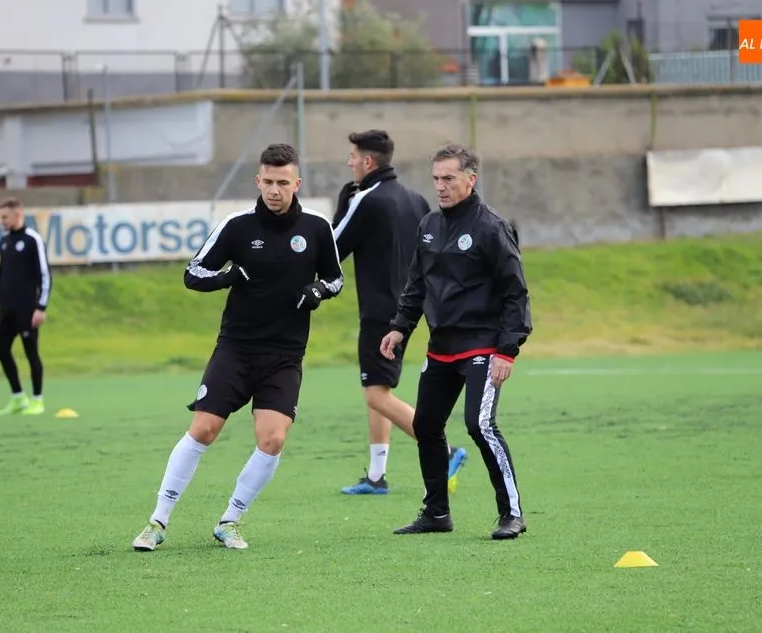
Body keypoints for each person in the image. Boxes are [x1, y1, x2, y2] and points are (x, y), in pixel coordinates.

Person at [131, 143, 344, 552]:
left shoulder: (317, 228)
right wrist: (227, 277)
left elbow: (336, 279)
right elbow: (193, 274)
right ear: (258, 181)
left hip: (284, 355)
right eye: (268, 181)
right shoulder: (237, 225)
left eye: (284, 182)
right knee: (204, 430)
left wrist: (318, 289)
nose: (275, 190)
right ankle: (157, 521)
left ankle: (230, 520)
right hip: (236, 349)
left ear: (297, 183)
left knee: (273, 440)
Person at [381, 144, 532, 540]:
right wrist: (400, 327)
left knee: (479, 424)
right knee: (425, 424)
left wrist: (506, 350)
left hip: (483, 346)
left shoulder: (491, 227)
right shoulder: (429, 225)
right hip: (441, 347)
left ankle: (511, 514)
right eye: (436, 179)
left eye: (448, 178)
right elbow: (417, 284)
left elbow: (516, 293)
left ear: (470, 179)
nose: (441, 186)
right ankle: (436, 513)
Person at [332, 130, 467, 496]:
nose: (349, 162)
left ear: (368, 161)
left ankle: (447, 450)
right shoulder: (414, 200)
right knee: (378, 387)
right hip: (408, 309)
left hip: (379, 313)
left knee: (376, 396)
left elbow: (332, 249)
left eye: (353, 156)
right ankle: (377, 477)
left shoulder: (368, 200)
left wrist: (346, 203)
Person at [0, 197, 52, 416]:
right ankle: (18, 397)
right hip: (7, 309)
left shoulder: (32, 240)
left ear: (18, 214)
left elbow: (45, 275)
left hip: (27, 309)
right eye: (0, 217)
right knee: (1, 350)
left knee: (31, 353)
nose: (2, 221)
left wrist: (41, 307)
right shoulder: (4, 242)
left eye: (5, 217)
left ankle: (37, 400)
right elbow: (1, 276)